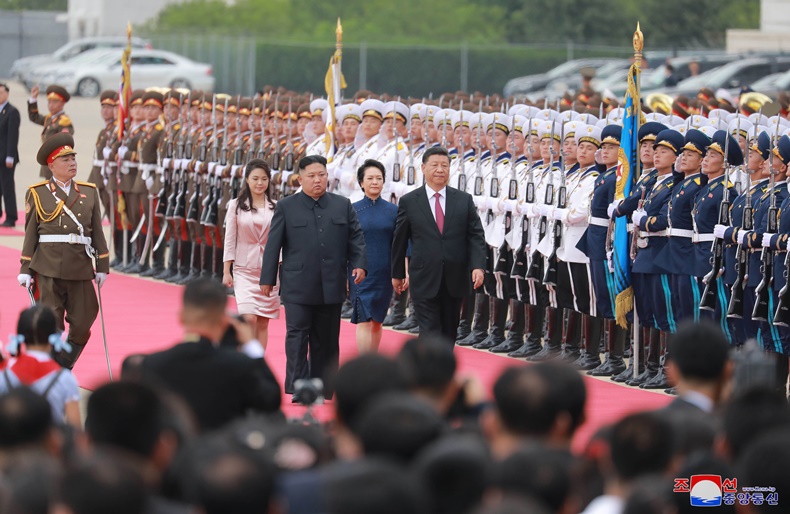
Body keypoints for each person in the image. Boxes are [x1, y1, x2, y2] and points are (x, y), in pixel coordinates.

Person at [260, 155, 367, 401]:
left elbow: (356, 239)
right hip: (297, 284)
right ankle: (298, 386)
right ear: (300, 178)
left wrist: (360, 264)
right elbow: (273, 244)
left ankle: (323, 386)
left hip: (331, 283)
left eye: (322, 175)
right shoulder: (287, 206)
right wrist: (268, 278)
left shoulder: (342, 205)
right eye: (311, 176)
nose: (318, 180)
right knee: (297, 336)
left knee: (326, 339)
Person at [131, 278, 281, 432]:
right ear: (224, 321)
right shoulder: (239, 365)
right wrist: (251, 346)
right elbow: (271, 400)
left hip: (180, 453)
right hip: (224, 451)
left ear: (181, 316)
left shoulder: (152, 364)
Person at [18, 132, 110, 370]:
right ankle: (53, 369)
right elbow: (31, 234)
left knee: (83, 322)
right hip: (47, 267)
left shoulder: (89, 192)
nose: (72, 163)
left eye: (73, 159)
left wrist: (102, 265)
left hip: (79, 267)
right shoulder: (38, 193)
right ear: (52, 165)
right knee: (51, 323)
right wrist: (25, 268)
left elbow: (97, 233)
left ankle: (63, 364)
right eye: (65, 160)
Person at [391, 146, 486, 343]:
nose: (440, 169)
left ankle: (442, 371)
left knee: (449, 331)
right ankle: (428, 373)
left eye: (444, 165)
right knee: (430, 330)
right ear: (423, 168)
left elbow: (475, 235)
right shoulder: (409, 201)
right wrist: (397, 274)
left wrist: (478, 266)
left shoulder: (463, 200)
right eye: (434, 165)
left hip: (455, 276)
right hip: (424, 276)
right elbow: (399, 240)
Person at [223, 159, 280, 349]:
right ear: (246, 179)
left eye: (264, 179)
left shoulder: (277, 207)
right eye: (255, 178)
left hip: (269, 271)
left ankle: (258, 364)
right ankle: (243, 358)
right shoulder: (236, 205)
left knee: (263, 322)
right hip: (244, 269)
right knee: (248, 318)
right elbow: (230, 239)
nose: (260, 183)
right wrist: (226, 270)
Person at [0, 305, 81, 427]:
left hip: (12, 443)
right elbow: (75, 429)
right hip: (49, 444)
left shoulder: (5, 373)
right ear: (54, 336)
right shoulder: (64, 378)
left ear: (19, 335)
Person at [349, 159, 397, 353]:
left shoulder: (394, 211)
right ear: (361, 182)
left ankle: (373, 358)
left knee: (377, 321)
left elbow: (400, 243)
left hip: (384, 272)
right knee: (363, 320)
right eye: (370, 178)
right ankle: (364, 363)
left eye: (379, 178)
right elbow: (346, 243)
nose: (375, 182)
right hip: (360, 272)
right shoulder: (352, 210)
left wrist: (403, 271)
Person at [27, 85, 74, 180]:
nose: (51, 105)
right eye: (49, 102)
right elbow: (34, 117)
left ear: (62, 103)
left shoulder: (63, 121)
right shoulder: (50, 119)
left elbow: (65, 143)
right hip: (49, 161)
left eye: (55, 102)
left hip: (57, 163)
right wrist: (33, 99)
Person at [0, 82, 21, 227]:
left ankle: (11, 216)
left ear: (7, 93)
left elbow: (13, 135)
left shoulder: (12, 111)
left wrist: (10, 156)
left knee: (7, 186)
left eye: (1, 92)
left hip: (6, 156)